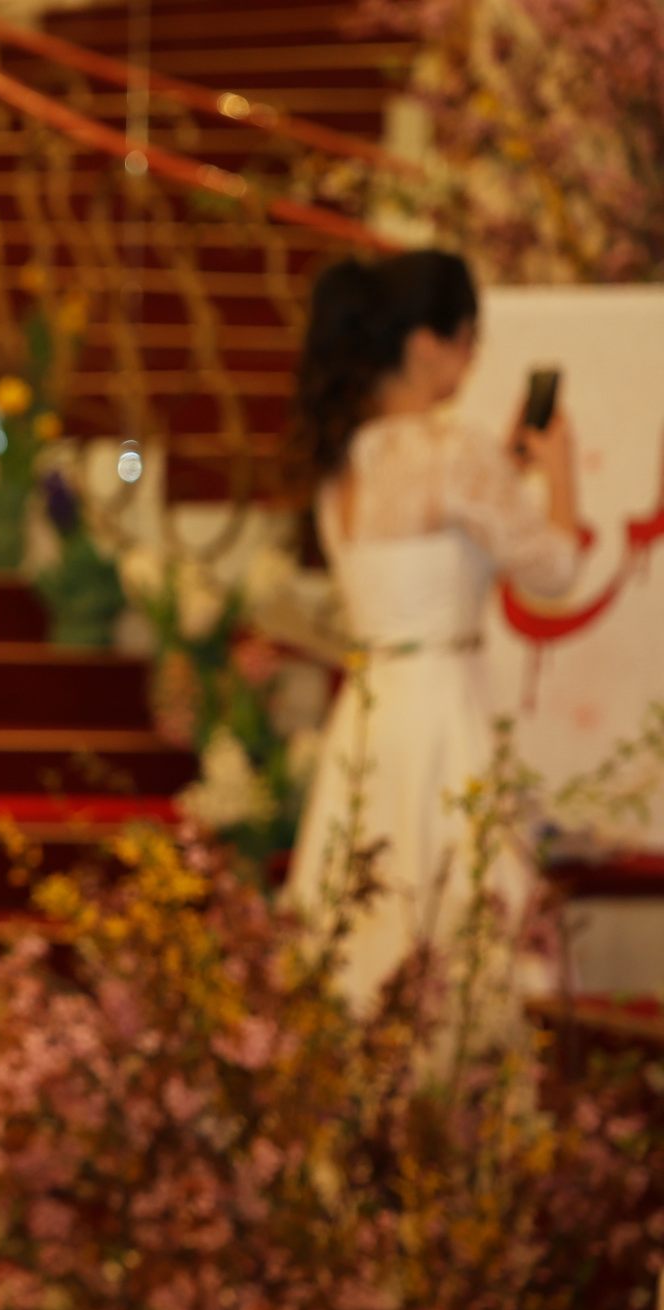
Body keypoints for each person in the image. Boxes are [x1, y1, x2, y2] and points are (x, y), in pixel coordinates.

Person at [282, 249, 584, 1012]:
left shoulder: (343, 458)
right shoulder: (453, 451)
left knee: (362, 931)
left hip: (368, 713)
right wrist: (560, 472)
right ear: (426, 344)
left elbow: (440, 538)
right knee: (466, 934)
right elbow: (555, 568)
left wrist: (505, 469)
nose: (473, 357)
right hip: (446, 708)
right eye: (467, 338)